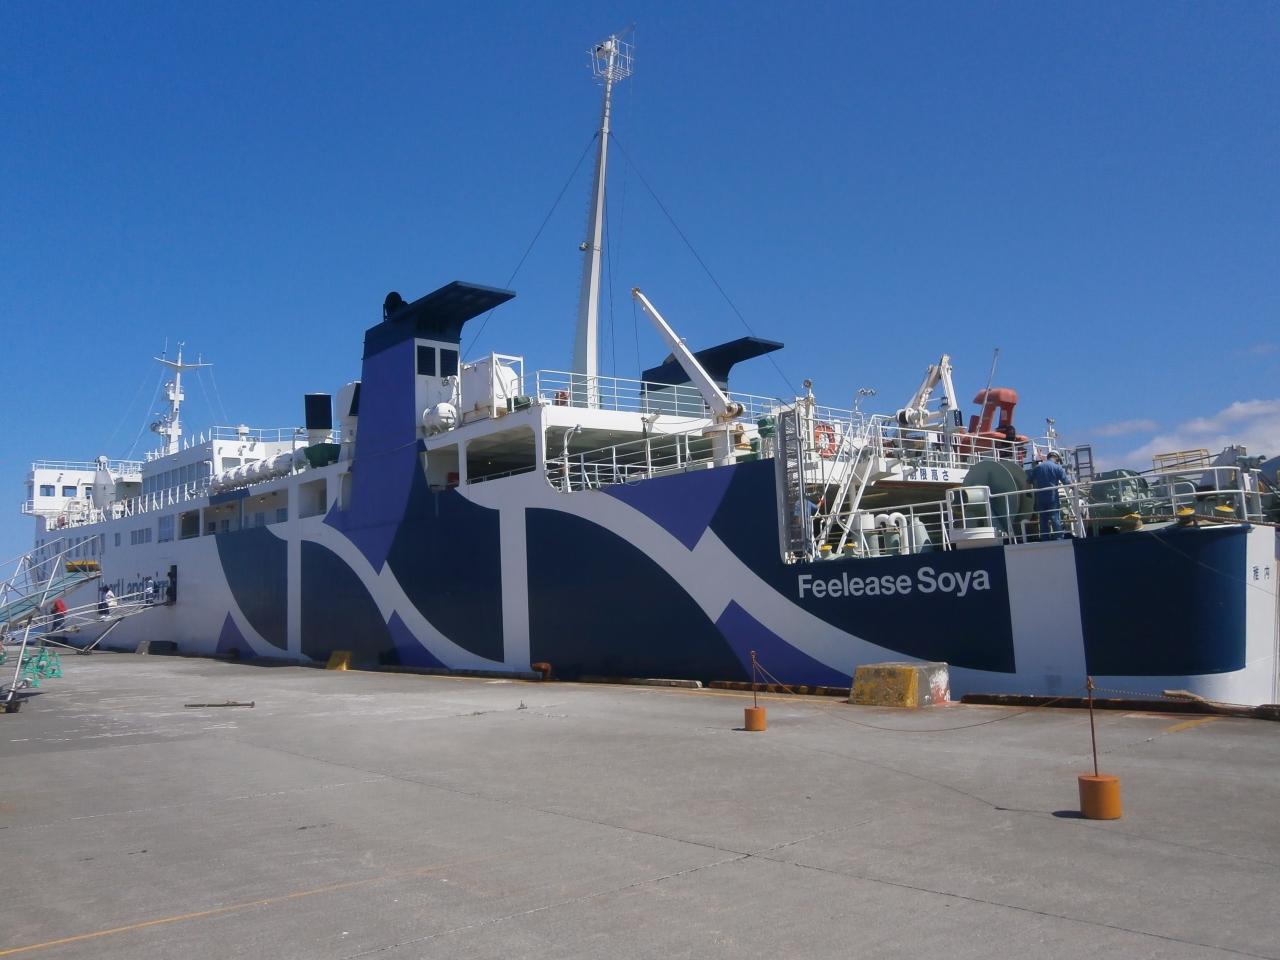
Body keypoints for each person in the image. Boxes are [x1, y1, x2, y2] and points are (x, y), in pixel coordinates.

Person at [1027, 451, 1069, 540]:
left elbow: (1028, 481)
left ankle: (1045, 539)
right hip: (1052, 498)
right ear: (1056, 458)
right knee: (1055, 518)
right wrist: (1075, 488)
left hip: (1040, 499)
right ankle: (1059, 538)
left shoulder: (1038, 467)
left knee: (1043, 519)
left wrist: (1028, 493)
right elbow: (1066, 482)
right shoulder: (1057, 467)